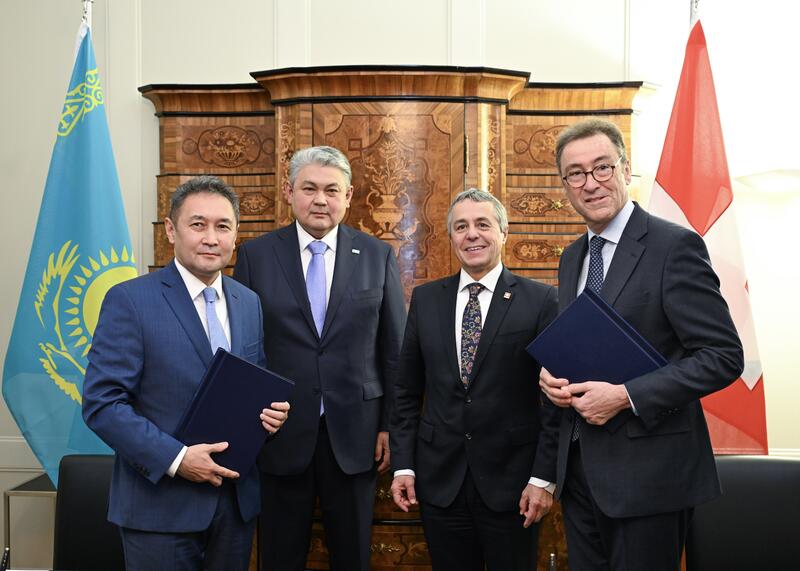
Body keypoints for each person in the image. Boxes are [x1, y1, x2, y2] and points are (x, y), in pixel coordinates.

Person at [539, 119, 744, 570]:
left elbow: (723, 357)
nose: (590, 183)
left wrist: (625, 396)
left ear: (625, 169)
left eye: (602, 167)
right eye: (576, 173)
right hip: (580, 474)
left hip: (650, 477)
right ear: (565, 186)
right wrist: (553, 377)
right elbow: (586, 344)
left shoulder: (674, 246)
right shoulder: (573, 256)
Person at [83, 176, 290, 571]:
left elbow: (253, 384)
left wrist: (271, 416)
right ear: (170, 230)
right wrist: (176, 458)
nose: (211, 238)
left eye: (223, 226)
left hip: (235, 507)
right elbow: (102, 405)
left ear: (236, 235)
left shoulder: (248, 302)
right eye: (198, 225)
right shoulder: (130, 300)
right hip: (159, 509)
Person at [233, 146, 406, 571]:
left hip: (357, 434)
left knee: (353, 556)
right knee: (279, 556)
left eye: (331, 190)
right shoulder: (256, 255)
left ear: (348, 196)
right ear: (289, 192)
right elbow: (243, 349)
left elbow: (393, 350)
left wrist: (389, 426)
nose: (320, 200)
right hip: (278, 433)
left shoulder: (377, 255)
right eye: (309, 188)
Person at [389, 188, 560, 571]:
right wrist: (403, 466)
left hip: (515, 485)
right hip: (440, 483)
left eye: (483, 224)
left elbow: (554, 402)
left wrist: (543, 478)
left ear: (503, 232)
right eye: (461, 226)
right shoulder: (426, 300)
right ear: (451, 237)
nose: (472, 235)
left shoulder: (540, 300)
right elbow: (406, 392)